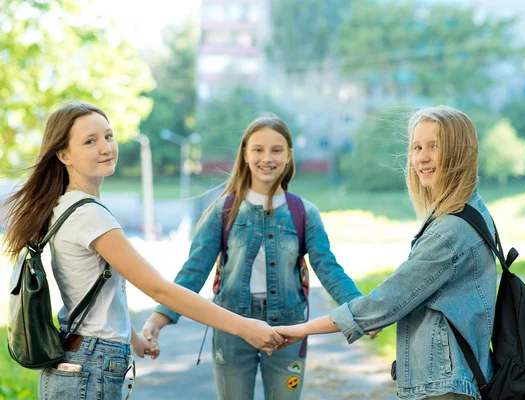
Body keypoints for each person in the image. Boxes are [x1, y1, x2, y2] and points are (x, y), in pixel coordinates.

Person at [2, 102, 283, 400]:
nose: (105, 147)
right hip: (89, 369)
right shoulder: (88, 215)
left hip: (82, 361)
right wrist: (243, 327)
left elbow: (93, 293)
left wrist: (133, 338)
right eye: (90, 141)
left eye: (108, 136)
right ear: (64, 154)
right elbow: (159, 289)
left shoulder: (66, 205)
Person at [142, 113, 373, 400]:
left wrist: (362, 313)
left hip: (288, 328)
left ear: (289, 155)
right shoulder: (223, 211)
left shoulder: (305, 213)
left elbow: (329, 269)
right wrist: (158, 318)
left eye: (276, 150)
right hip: (232, 327)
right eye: (258, 149)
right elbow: (193, 271)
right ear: (245, 154)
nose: (268, 158)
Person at [276, 105, 497, 400]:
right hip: (454, 378)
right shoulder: (473, 211)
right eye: (417, 147)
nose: (422, 157)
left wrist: (301, 330)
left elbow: (387, 301)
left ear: (459, 152)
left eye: (435, 146)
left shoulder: (450, 232)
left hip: (444, 385)